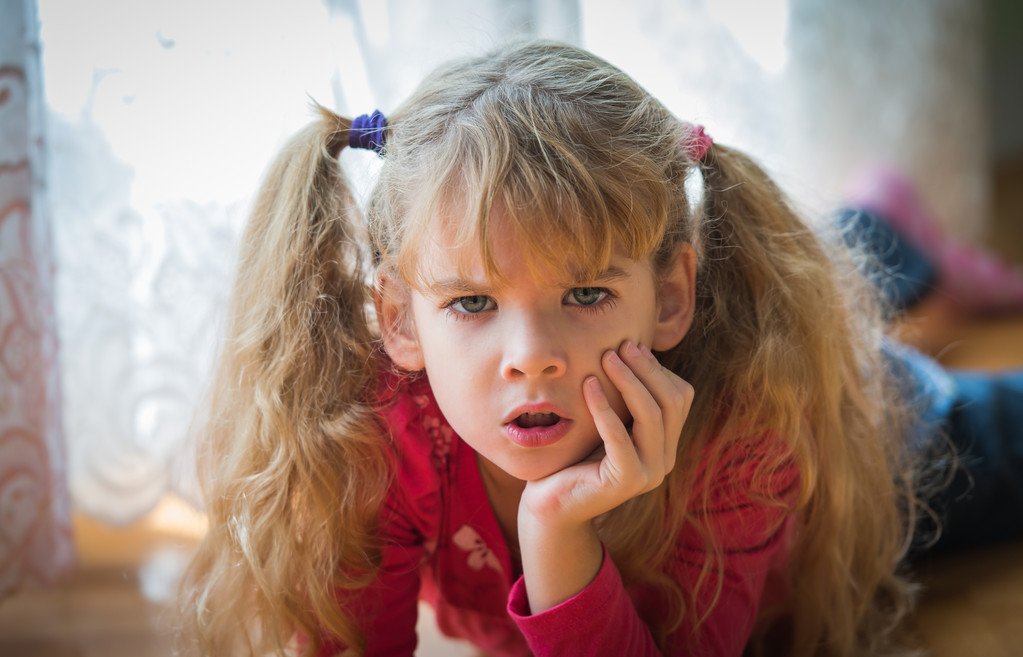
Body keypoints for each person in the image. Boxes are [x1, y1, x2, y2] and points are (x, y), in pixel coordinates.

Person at [177, 40, 1018, 657]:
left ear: (673, 296)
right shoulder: (368, 444)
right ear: (398, 319)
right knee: (836, 258)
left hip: (895, 430)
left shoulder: (748, 430)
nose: (531, 356)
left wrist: (554, 535)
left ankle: (886, 229)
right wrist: (557, 514)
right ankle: (883, 218)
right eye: (472, 301)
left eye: (584, 295)